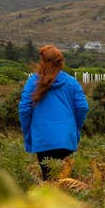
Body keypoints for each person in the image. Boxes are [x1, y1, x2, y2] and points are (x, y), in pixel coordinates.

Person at [19, 45, 89, 181]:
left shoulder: (33, 81)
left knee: (49, 180)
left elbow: (24, 108)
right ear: (60, 62)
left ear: (42, 61)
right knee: (65, 181)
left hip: (42, 137)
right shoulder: (71, 82)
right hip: (66, 138)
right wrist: (75, 128)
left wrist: (27, 131)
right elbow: (82, 107)